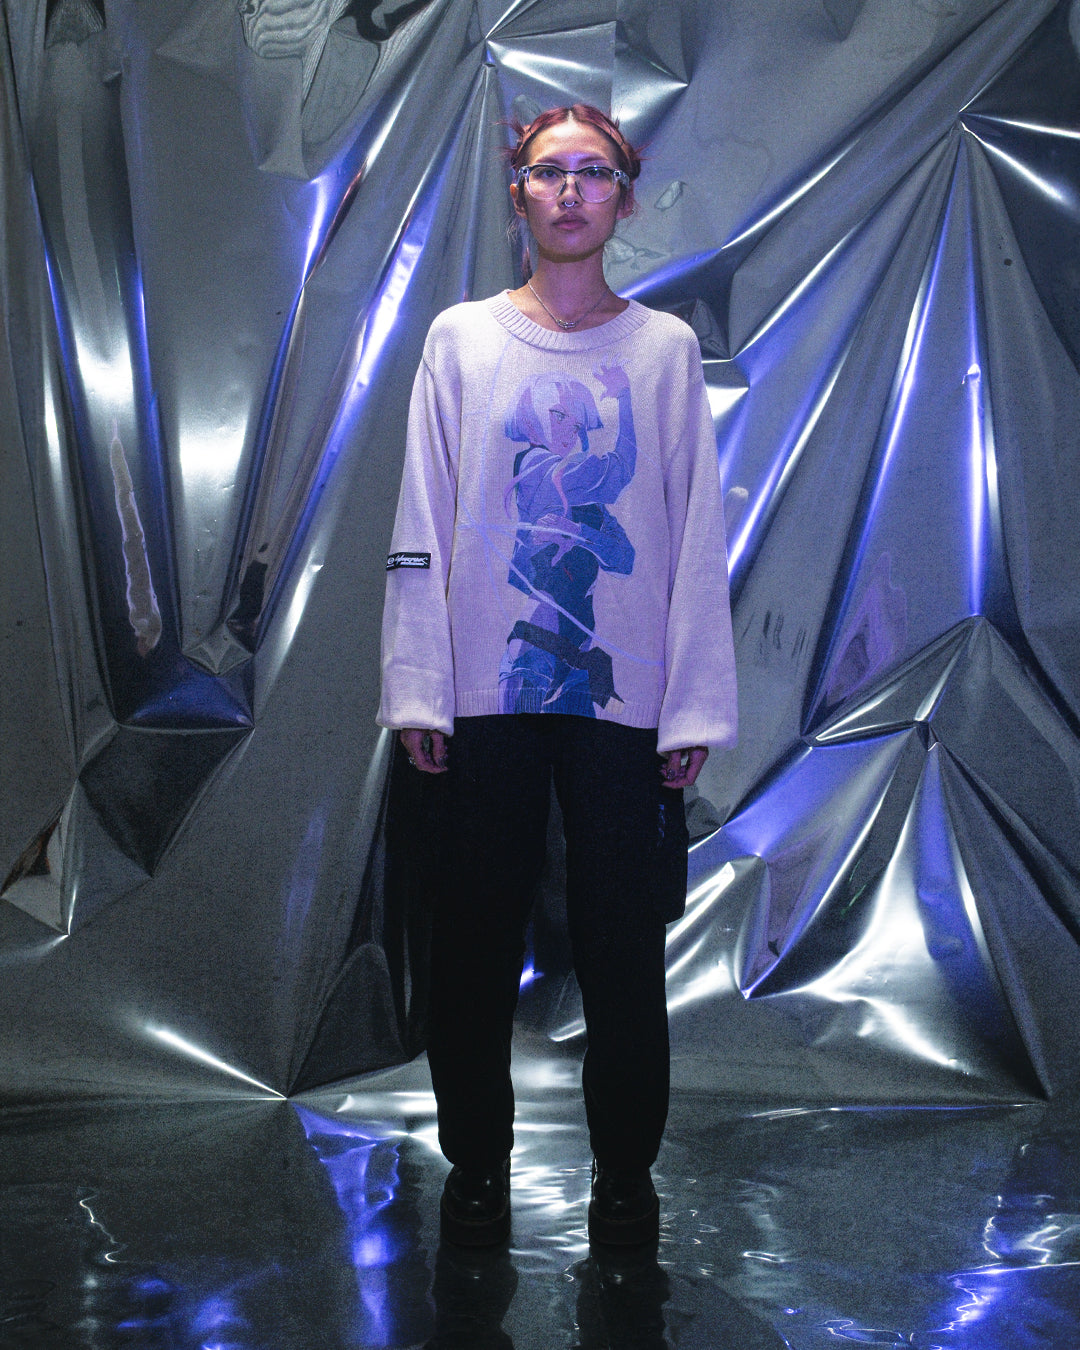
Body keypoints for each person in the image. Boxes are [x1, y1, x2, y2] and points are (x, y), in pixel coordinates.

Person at [379, 103, 737, 1247]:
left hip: (624, 699)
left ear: (625, 197)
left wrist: (692, 703)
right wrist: (419, 686)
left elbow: (694, 532)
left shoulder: (663, 352)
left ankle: (625, 1175)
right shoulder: (462, 341)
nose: (570, 190)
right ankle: (476, 1165)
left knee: (624, 941)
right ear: (518, 192)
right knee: (472, 938)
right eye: (548, 171)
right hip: (482, 693)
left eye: (594, 172)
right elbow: (422, 514)